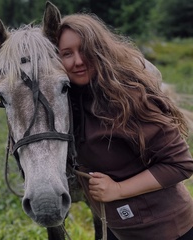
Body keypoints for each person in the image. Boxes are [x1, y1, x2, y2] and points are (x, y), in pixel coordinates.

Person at [44, 3, 193, 239]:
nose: (78, 61)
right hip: (118, 229)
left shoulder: (129, 97)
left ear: (100, 50)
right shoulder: (72, 101)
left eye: (85, 50)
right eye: (67, 53)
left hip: (165, 229)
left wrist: (118, 189)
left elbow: (180, 164)